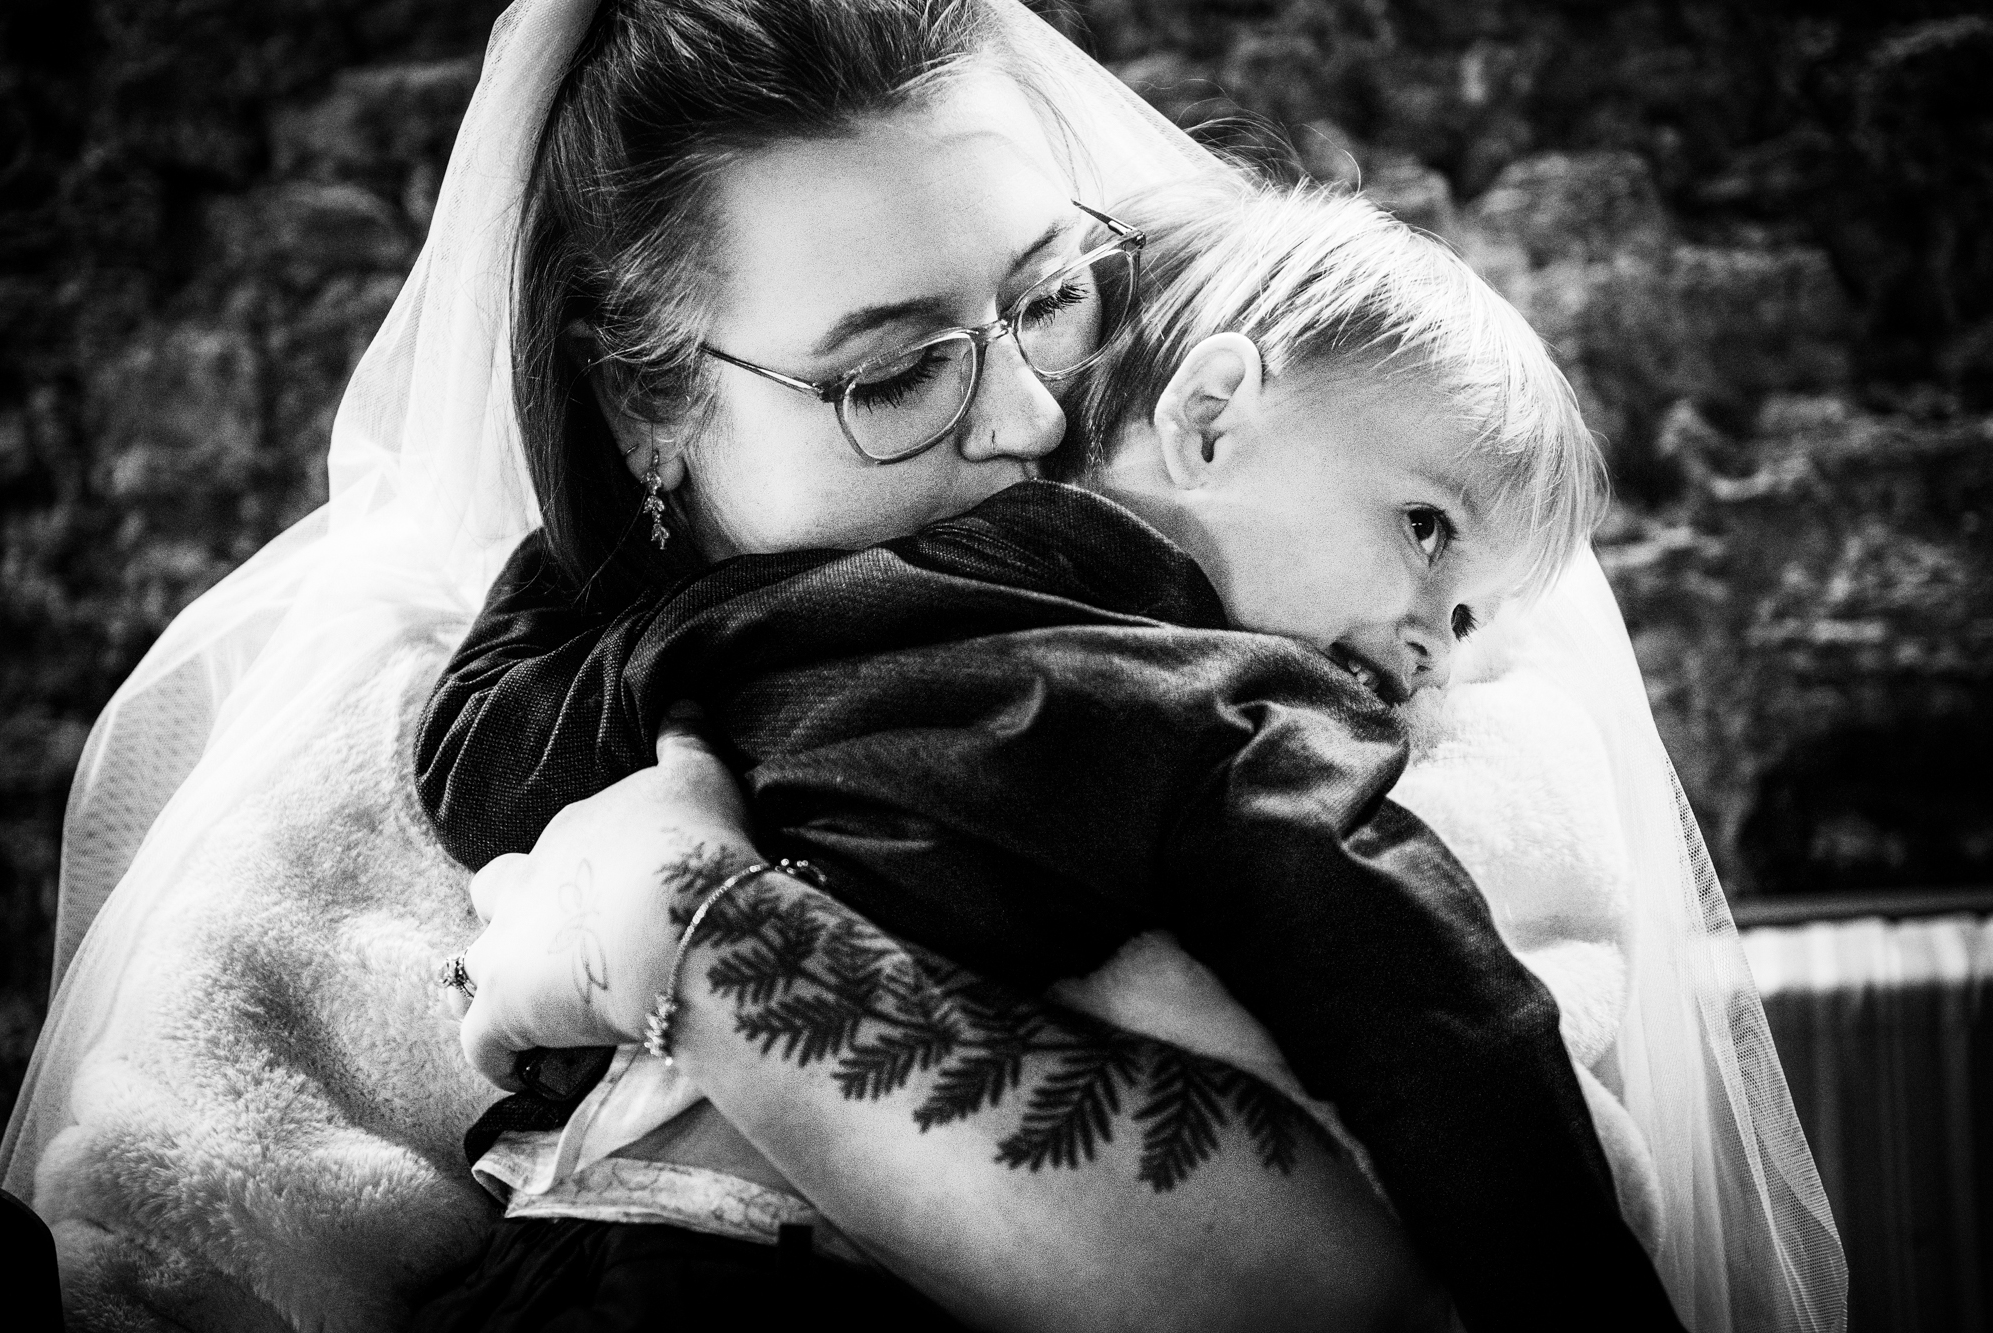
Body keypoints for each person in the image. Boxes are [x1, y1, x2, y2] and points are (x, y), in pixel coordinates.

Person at [0, 0, 1846, 1330]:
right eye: (892, 372)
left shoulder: (1323, 642)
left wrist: (682, 908)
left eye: (1050, 290)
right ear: (643, 414)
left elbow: (1371, 1240)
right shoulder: (475, 683)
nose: (1039, 407)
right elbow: (198, 1235)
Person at [417, 172, 1681, 1333]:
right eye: (1423, 528)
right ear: (1207, 415)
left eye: (1467, 617)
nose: (1434, 652)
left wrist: (586, 550)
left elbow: (485, 741)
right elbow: (1445, 1020)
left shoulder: (796, 600)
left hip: (569, 1246)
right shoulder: (1234, 715)